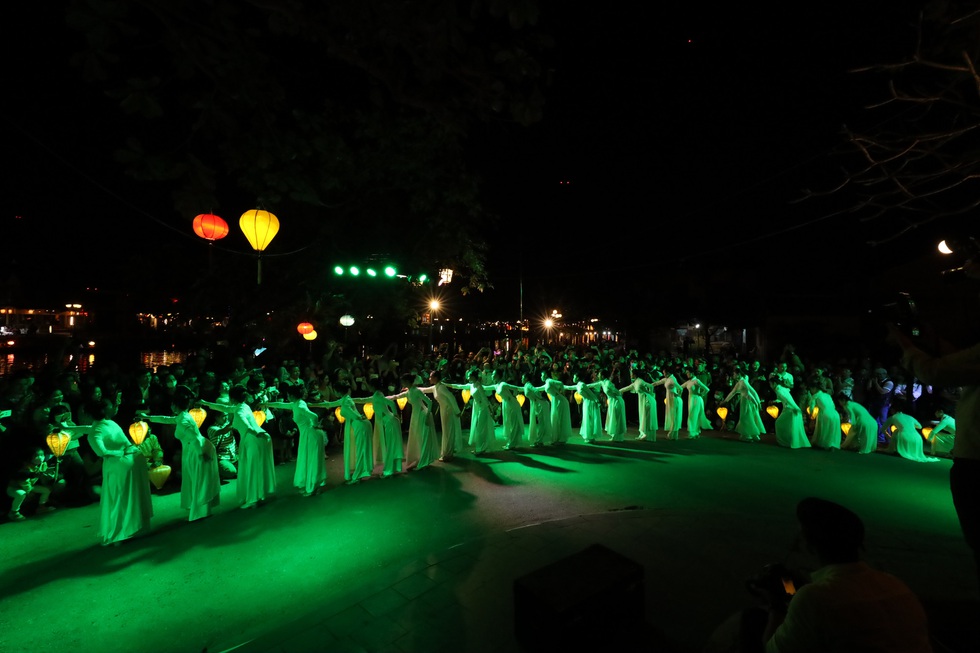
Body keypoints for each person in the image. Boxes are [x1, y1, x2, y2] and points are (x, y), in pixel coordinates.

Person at [705, 497, 934, 653]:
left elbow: (773, 649)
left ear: (809, 544)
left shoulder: (815, 598)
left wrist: (777, 604)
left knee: (751, 623)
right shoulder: (895, 585)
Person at [70, 398, 153, 546]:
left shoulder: (97, 430)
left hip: (120, 464)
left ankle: (122, 532)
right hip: (134, 459)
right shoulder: (109, 423)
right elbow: (92, 429)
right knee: (131, 495)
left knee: (120, 497)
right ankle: (134, 527)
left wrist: (119, 452)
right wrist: (68, 428)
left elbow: (101, 452)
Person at [141, 385, 221, 521]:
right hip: (192, 450)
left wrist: (202, 454)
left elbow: (195, 438)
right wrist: (148, 418)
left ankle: (200, 511)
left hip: (197, 451)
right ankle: (199, 509)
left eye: (172, 404)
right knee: (195, 479)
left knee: (198, 480)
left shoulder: (184, 419)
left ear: (175, 405)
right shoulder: (183, 416)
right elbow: (167, 419)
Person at [200, 386, 276, 509]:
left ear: (232, 398)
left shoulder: (240, 411)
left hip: (253, 439)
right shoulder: (243, 406)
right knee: (255, 468)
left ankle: (253, 499)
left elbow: (247, 427)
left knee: (251, 469)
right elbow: (225, 408)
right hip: (257, 439)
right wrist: (205, 403)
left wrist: (258, 433)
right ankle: (258, 495)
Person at [265, 383, 329, 495]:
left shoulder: (300, 405)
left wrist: (314, 425)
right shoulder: (297, 403)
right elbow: (281, 404)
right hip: (308, 435)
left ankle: (312, 486)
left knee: (311, 460)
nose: (287, 397)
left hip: (311, 434)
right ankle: (314, 484)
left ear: (292, 395)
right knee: (309, 459)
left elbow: (314, 416)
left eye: (288, 395)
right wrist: (266, 404)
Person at [311, 382, 373, 484]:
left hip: (359, 425)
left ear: (338, 391)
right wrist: (314, 404)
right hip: (357, 425)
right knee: (360, 449)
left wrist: (359, 417)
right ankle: (359, 473)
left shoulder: (346, 401)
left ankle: (358, 475)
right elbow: (330, 404)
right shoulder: (345, 399)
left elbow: (355, 415)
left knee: (361, 450)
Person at [390, 373, 439, 470]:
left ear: (408, 381)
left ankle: (424, 461)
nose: (402, 383)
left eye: (403, 381)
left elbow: (429, 402)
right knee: (417, 438)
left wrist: (427, 415)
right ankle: (419, 458)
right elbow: (397, 396)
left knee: (423, 438)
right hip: (415, 416)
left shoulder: (416, 391)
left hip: (422, 414)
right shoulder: (409, 391)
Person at [418, 369, 462, 462]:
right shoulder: (436, 387)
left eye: (431, 376)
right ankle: (447, 452)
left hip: (448, 411)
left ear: (436, 377)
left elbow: (451, 397)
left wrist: (457, 411)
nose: (429, 378)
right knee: (446, 432)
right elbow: (424, 390)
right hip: (444, 410)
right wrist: (412, 388)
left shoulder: (441, 387)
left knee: (448, 432)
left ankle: (447, 453)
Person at [6, 443, 57, 521]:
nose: (40, 457)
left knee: (46, 490)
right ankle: (14, 512)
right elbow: (23, 482)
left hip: (29, 486)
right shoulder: (25, 468)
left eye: (42, 455)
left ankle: (41, 507)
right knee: (21, 494)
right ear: (30, 458)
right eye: (37, 456)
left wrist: (48, 477)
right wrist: (29, 492)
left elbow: (41, 477)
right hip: (15, 488)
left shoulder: (42, 465)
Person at [723, 365, 766, 442]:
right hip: (745, 401)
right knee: (747, 417)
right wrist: (725, 401)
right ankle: (752, 434)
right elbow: (733, 392)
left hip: (747, 401)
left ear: (738, 374)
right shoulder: (740, 382)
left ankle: (748, 434)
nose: (733, 375)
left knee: (746, 417)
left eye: (734, 374)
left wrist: (757, 402)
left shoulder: (743, 382)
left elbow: (750, 392)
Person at [770, 376, 809, 449]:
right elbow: (783, 398)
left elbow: (787, 399)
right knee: (790, 425)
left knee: (779, 423)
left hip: (790, 409)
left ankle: (784, 441)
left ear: (774, 383)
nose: (770, 386)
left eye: (771, 384)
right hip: (791, 408)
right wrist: (774, 401)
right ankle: (789, 441)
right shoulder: (782, 389)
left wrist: (795, 408)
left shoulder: (779, 390)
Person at [620, 367, 659, 440]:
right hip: (643, 400)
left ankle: (646, 434)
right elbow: (628, 388)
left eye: (631, 373)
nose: (630, 375)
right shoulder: (636, 382)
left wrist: (650, 395)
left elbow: (650, 386)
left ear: (634, 375)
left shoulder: (640, 381)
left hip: (647, 400)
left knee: (646, 417)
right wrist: (618, 391)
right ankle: (643, 433)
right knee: (643, 416)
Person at [492, 368, 527, 450]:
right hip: (506, 404)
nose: (492, 375)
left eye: (493, 374)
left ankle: (511, 443)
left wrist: (526, 389)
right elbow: (485, 387)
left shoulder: (503, 384)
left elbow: (516, 387)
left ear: (497, 375)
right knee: (509, 423)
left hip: (512, 403)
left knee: (513, 424)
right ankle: (512, 442)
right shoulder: (496, 385)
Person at [543, 369, 575, 445]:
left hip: (559, 400)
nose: (541, 376)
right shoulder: (547, 382)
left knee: (559, 418)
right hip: (555, 400)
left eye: (542, 375)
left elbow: (560, 383)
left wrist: (561, 392)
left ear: (546, 375)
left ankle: (561, 438)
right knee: (555, 418)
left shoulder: (550, 381)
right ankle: (556, 438)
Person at [807, 381, 841, 451]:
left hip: (825, 413)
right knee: (832, 429)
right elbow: (833, 405)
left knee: (824, 429)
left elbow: (811, 407)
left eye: (811, 389)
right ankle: (832, 444)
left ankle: (823, 444)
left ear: (814, 388)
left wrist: (811, 414)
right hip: (835, 413)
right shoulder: (827, 395)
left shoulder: (816, 396)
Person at [653, 365, 685, 440]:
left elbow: (680, 388)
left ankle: (671, 433)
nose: (663, 374)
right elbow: (658, 382)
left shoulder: (672, 379)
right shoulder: (668, 379)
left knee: (674, 416)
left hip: (674, 399)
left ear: (668, 373)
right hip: (670, 398)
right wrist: (649, 385)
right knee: (672, 416)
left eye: (664, 373)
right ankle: (674, 434)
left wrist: (678, 395)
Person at [206, 410, 238, 481]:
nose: (226, 418)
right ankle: (218, 471)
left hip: (234, 456)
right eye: (223, 416)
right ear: (216, 417)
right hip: (222, 458)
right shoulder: (212, 428)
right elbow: (223, 431)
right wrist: (236, 418)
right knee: (231, 471)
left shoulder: (228, 424)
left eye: (227, 415)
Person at [573, 371, 604, 444]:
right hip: (586, 403)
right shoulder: (578, 385)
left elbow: (591, 394)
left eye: (574, 377)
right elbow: (570, 387)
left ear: (577, 378)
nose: (573, 378)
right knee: (588, 419)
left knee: (590, 419)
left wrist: (597, 401)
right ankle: (590, 436)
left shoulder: (582, 385)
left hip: (590, 402)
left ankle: (590, 437)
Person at [681, 368, 712, 439]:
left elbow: (707, 389)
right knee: (694, 415)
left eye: (688, 372)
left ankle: (692, 432)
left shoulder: (696, 381)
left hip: (696, 399)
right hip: (691, 399)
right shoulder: (689, 382)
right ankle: (696, 431)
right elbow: (680, 387)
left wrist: (701, 394)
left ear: (692, 373)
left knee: (693, 415)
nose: (687, 374)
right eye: (686, 373)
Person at [598, 368, 628, 441]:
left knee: (617, 418)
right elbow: (592, 385)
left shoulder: (608, 383)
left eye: (599, 374)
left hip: (616, 401)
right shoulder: (603, 382)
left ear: (602, 375)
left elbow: (617, 392)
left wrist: (616, 396)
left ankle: (618, 436)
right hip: (612, 401)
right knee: (613, 418)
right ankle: (615, 435)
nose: (597, 375)